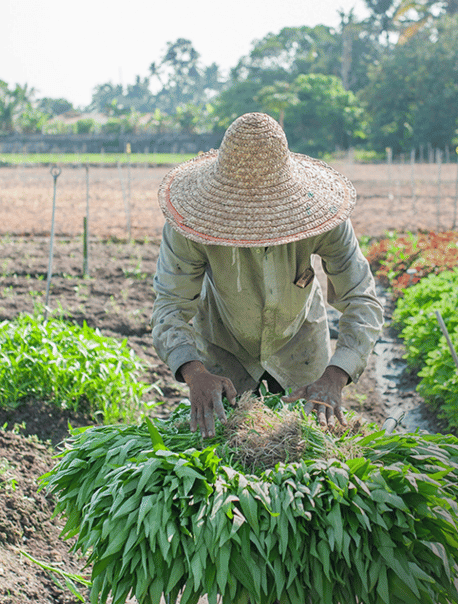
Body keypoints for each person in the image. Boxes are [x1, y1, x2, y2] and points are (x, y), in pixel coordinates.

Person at [151, 112, 383, 438]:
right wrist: (194, 372)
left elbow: (361, 298)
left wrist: (336, 374)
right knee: (226, 461)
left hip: (299, 351)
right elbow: (170, 306)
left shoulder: (323, 217)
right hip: (223, 352)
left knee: (304, 458)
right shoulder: (189, 227)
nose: (256, 227)